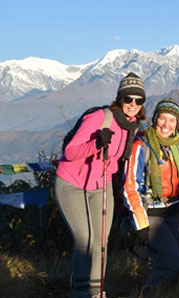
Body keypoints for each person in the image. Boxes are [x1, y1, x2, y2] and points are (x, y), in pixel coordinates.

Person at [55, 72, 146, 298]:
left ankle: (96, 292)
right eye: (128, 99)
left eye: (139, 100)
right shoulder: (99, 118)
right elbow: (70, 152)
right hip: (72, 183)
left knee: (101, 241)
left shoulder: (132, 126)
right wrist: (96, 144)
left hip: (101, 186)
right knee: (85, 239)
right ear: (120, 99)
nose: (133, 104)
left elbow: (118, 160)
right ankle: (80, 292)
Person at [122, 98, 179, 287]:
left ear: (177, 124)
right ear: (155, 119)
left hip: (177, 212)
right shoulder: (141, 145)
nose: (167, 124)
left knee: (172, 263)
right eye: (163, 118)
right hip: (152, 214)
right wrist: (141, 223)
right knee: (172, 264)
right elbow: (130, 186)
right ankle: (147, 293)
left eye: (172, 120)